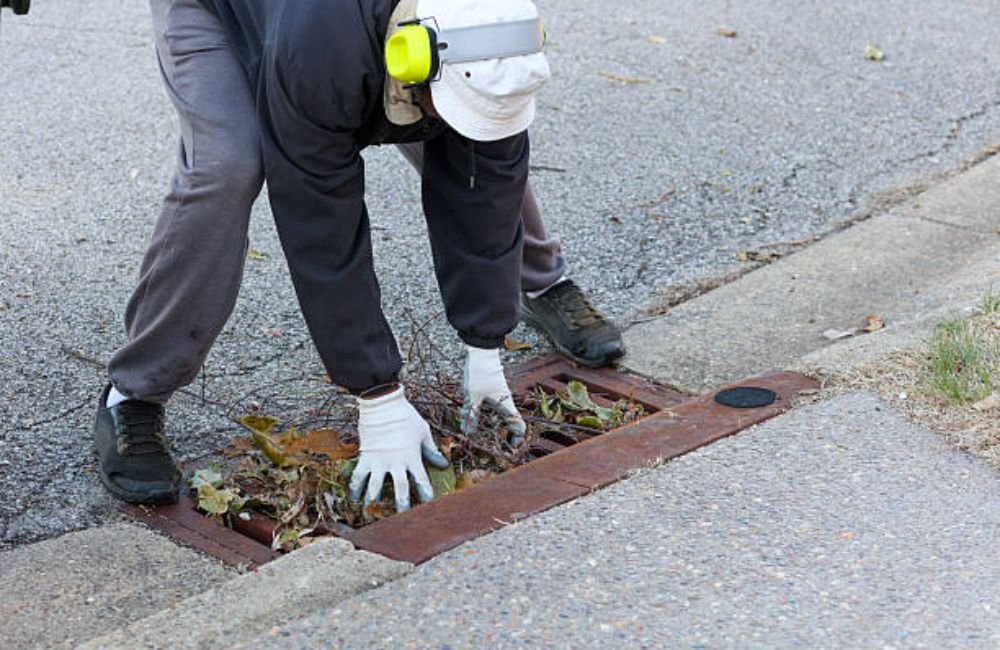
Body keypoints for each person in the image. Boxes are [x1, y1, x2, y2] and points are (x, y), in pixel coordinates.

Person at [92, 0, 621, 510]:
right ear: (411, 56)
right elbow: (320, 222)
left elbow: (486, 178)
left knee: (481, 128)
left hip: (379, 41)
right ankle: (134, 392)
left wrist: (486, 340)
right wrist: (377, 393)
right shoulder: (318, 57)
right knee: (228, 165)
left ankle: (539, 284)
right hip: (247, 16)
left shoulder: (487, 24)